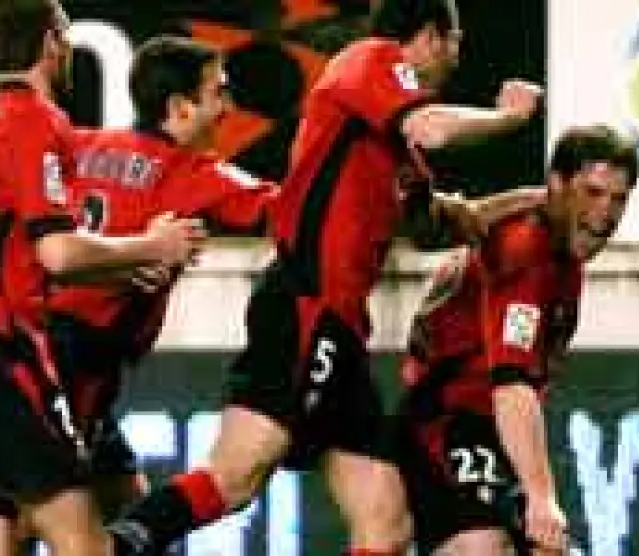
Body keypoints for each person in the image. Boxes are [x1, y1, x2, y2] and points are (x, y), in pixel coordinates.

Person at [107, 0, 545, 554]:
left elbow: (443, 224)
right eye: (455, 42)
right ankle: (118, 546)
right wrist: (509, 117)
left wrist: (539, 202)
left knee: (385, 515)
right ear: (431, 35)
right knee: (236, 476)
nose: (457, 58)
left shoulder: (394, 150)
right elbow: (432, 127)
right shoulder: (368, 59)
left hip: (341, 328)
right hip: (307, 303)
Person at [0, 1, 205, 554]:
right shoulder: (34, 121)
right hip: (1, 361)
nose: (70, 49)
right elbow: (57, 254)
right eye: (65, 35)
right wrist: (152, 246)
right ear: (49, 41)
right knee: (87, 545)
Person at [33, 33, 277, 530]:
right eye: (218, 92)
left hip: (33, 343)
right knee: (41, 512)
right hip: (80, 360)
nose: (228, 108)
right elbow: (292, 213)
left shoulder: (79, 146)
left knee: (126, 505)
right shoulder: (193, 173)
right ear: (180, 107)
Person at [395, 125, 639, 555]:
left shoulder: (559, 250)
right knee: (481, 545)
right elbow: (511, 384)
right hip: (448, 422)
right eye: (592, 193)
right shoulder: (527, 254)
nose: (606, 213)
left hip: (486, 429)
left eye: (618, 199)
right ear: (557, 184)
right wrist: (541, 497)